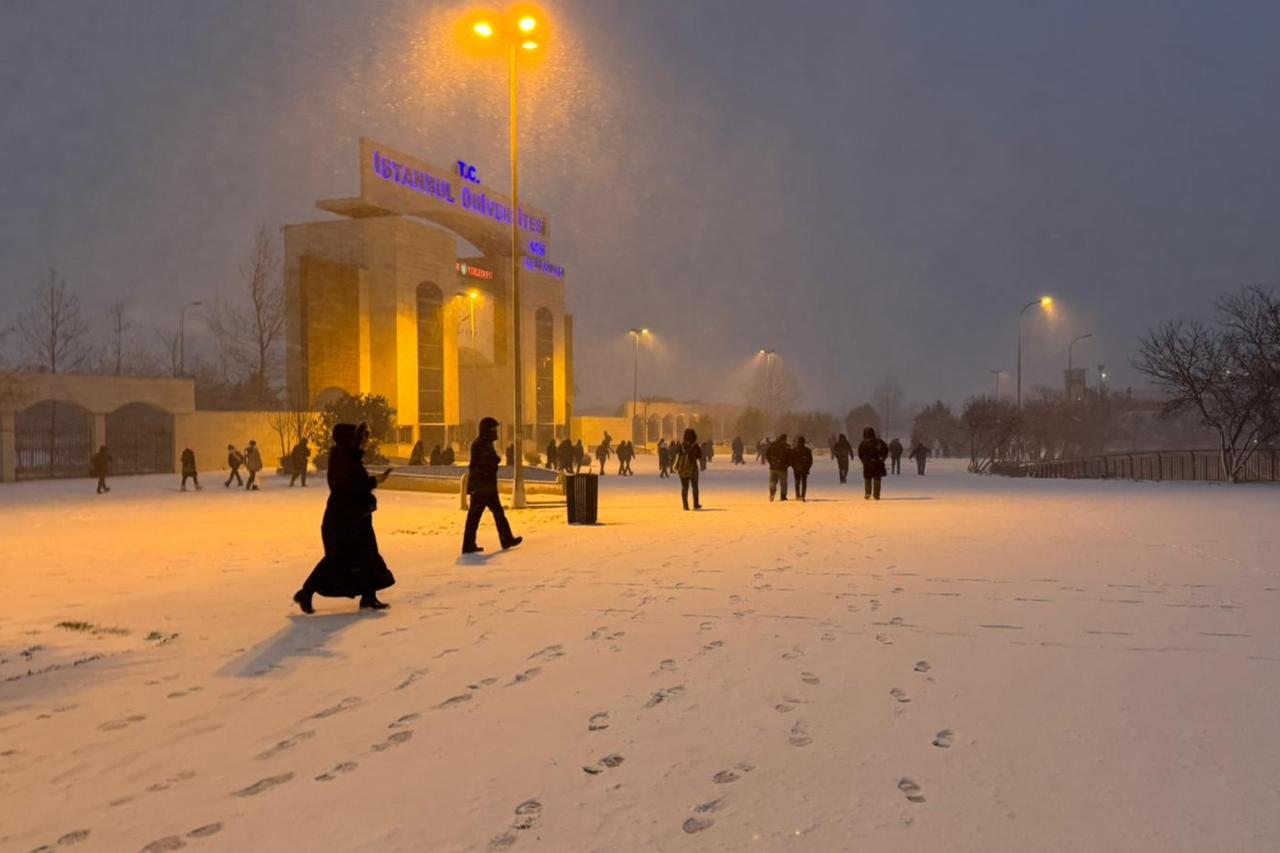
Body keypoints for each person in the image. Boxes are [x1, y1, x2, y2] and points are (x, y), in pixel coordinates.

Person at [293, 423, 395, 613]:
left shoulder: (347, 458)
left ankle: (369, 596)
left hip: (355, 518)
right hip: (344, 521)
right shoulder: (343, 459)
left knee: (367, 557)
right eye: (361, 438)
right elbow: (349, 487)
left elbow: (355, 484)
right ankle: (306, 592)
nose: (364, 442)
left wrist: (372, 483)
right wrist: (375, 481)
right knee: (337, 559)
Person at [463, 417, 523, 554]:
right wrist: (495, 461)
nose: (496, 433)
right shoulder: (480, 445)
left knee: (496, 513)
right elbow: (484, 464)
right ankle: (469, 544)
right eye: (493, 430)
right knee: (475, 516)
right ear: (487, 431)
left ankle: (506, 538)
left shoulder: (486, 444)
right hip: (482, 488)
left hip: (486, 487)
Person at [672, 428, 703, 510]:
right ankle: (695, 504)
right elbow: (700, 456)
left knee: (684, 487)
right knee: (695, 487)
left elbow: (676, 453)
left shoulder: (681, 445)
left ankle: (685, 505)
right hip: (693, 468)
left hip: (682, 468)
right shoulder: (694, 445)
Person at [858, 427, 889, 500]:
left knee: (867, 478)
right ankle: (876, 495)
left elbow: (861, 454)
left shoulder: (863, 443)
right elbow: (886, 451)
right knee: (877, 479)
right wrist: (882, 460)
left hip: (867, 464)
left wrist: (864, 461)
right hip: (878, 463)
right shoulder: (879, 442)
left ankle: (868, 493)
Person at [766, 434, 791, 501]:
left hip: (773, 467)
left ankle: (772, 493)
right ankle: (783, 496)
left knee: (773, 482)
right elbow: (790, 457)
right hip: (783, 468)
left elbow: (767, 454)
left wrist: (771, 462)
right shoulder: (786, 446)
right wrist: (787, 464)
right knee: (783, 483)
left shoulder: (773, 445)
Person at [792, 436, 813, 501]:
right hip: (804, 468)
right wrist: (808, 467)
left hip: (796, 468)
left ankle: (797, 495)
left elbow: (791, 460)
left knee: (797, 482)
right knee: (804, 482)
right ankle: (803, 495)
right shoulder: (807, 450)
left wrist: (794, 467)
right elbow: (810, 460)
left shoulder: (794, 450)